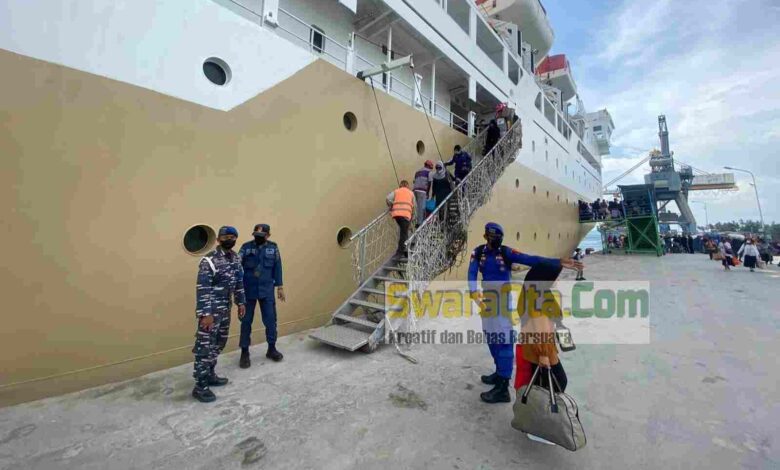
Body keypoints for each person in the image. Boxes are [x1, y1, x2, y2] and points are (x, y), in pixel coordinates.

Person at [468, 222, 582, 404]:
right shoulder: (478, 252)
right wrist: (474, 293)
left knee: (504, 341)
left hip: (502, 303)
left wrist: (557, 262)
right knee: (491, 338)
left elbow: (530, 259)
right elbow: (472, 273)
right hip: (486, 302)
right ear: (486, 237)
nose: (496, 241)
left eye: (498, 238)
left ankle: (503, 387)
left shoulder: (505, 252)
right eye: (493, 238)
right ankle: (499, 373)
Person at [192, 226, 246, 403]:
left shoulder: (235, 258)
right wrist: (205, 314)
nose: (229, 239)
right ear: (218, 239)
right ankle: (200, 386)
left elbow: (239, 282)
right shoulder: (209, 261)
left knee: (219, 343)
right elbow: (203, 289)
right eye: (226, 236)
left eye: (233, 236)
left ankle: (210, 375)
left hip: (225, 308)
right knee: (205, 347)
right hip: (211, 311)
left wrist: (241, 302)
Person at [238, 224, 285, 368]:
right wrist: (238, 289)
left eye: (261, 236)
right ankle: (244, 352)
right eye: (255, 236)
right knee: (246, 322)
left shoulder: (273, 247)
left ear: (268, 235)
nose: (257, 238)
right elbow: (238, 268)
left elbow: (277, 266)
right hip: (248, 290)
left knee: (271, 320)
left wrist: (280, 286)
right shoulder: (245, 247)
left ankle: (272, 348)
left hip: (267, 290)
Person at [387, 180, 415, 258]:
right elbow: (414, 206)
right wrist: (413, 216)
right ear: (407, 185)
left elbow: (388, 198)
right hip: (405, 215)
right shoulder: (411, 193)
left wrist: (392, 205)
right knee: (404, 233)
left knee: (404, 231)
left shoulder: (396, 191)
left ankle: (405, 250)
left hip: (396, 215)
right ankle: (400, 251)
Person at [412, 160, 434, 226]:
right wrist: (427, 192)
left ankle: (419, 220)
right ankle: (420, 223)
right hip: (422, 191)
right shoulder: (429, 172)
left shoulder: (417, 172)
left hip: (415, 190)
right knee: (422, 207)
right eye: (431, 167)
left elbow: (414, 181)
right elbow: (430, 182)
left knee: (419, 206)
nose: (431, 168)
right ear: (428, 166)